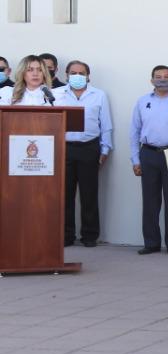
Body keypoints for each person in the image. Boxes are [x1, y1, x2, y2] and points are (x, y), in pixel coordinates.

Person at [130, 66, 168, 255]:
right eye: (158, 77)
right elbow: (134, 132)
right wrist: (135, 159)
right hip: (148, 153)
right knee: (150, 201)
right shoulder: (142, 102)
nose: (162, 80)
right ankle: (151, 243)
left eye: (166, 77)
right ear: (151, 81)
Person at [56, 60, 113, 248]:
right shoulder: (58, 95)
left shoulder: (99, 95)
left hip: (90, 148)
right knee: (65, 194)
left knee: (89, 194)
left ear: (88, 76)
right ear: (66, 75)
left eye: (82, 73)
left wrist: (105, 150)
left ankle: (90, 236)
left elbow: (106, 125)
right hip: (65, 148)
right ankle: (66, 235)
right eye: (73, 73)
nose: (77, 76)